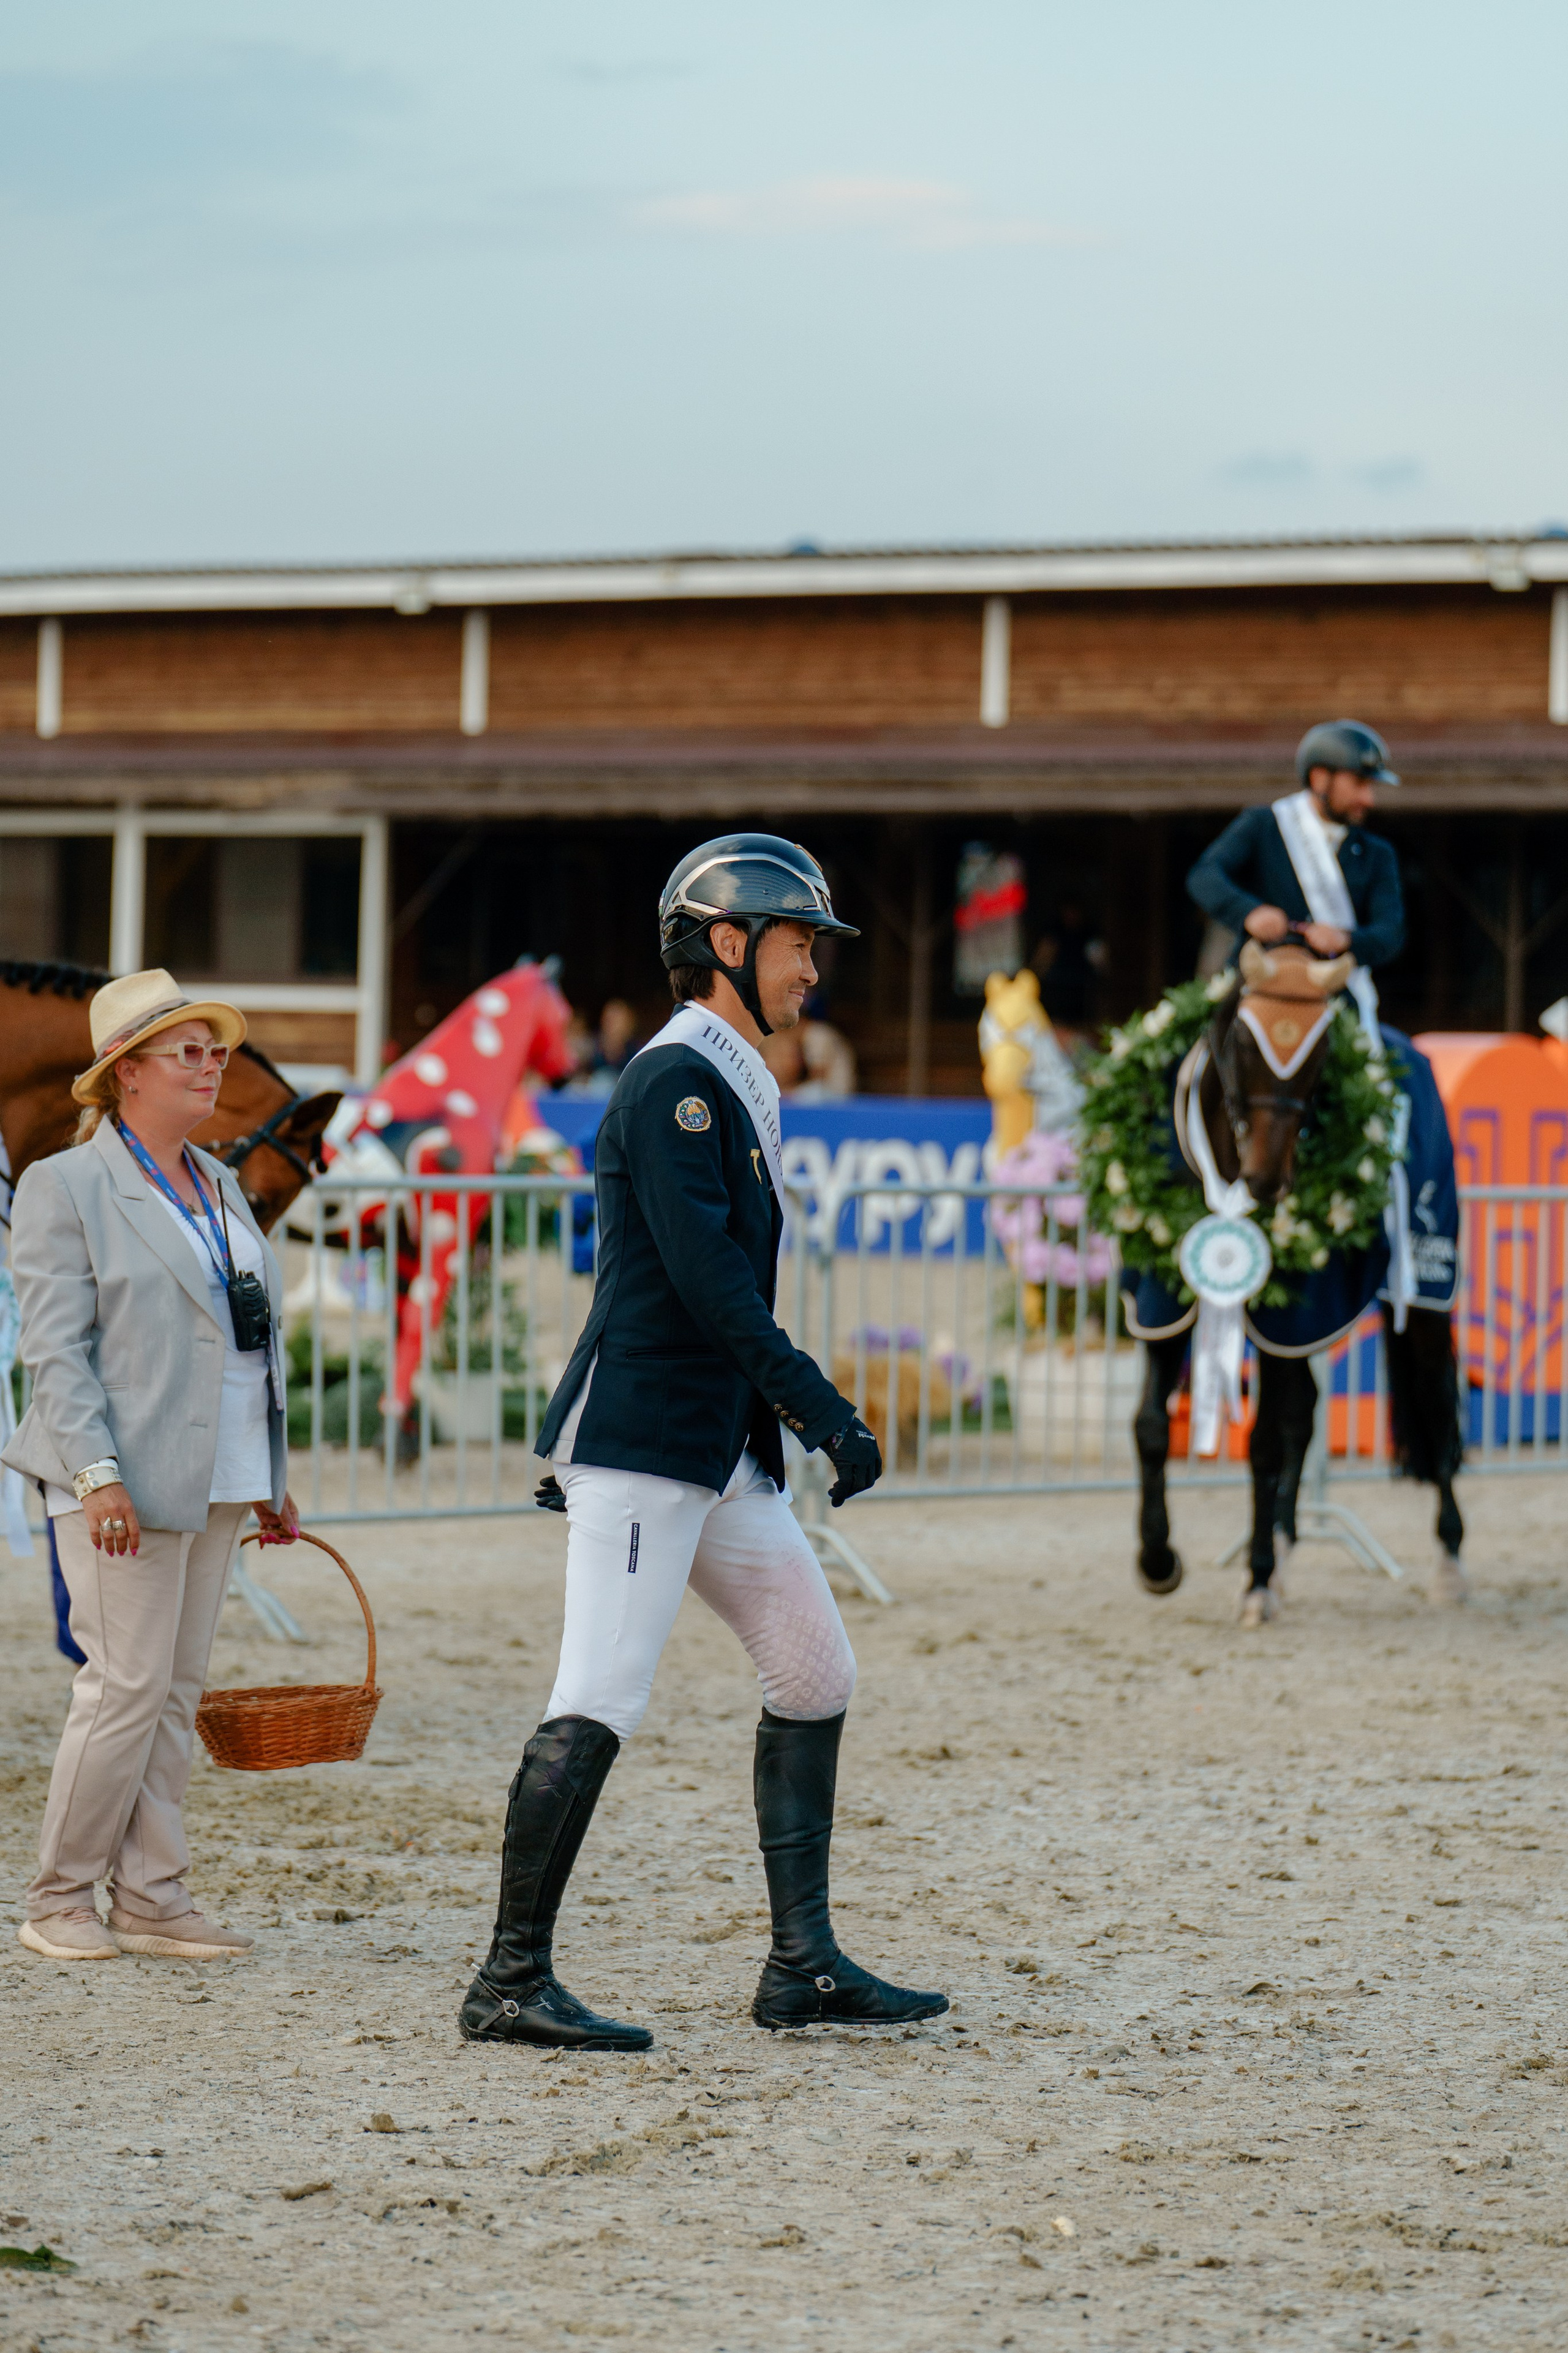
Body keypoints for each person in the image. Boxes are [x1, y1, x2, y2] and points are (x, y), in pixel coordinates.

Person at [460, 834, 948, 2052]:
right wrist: (821, 1408)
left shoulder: (737, 1079)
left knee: (814, 1670)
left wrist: (778, 1421)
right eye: (796, 948)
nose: (811, 975)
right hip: (641, 1440)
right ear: (726, 945)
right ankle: (509, 1979)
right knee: (601, 1692)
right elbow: (709, 1285)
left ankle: (802, 1966)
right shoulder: (671, 1083)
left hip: (715, 1448)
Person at [5, 968, 298, 1964]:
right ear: (126, 1072)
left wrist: (269, 1470)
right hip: (115, 1475)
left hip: (217, 1471)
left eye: (215, 1050)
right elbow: (56, 1350)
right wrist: (95, 1474)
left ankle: (153, 1894)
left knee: (173, 1689)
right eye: (189, 1051)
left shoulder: (218, 1182)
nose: (212, 1066)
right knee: (124, 1685)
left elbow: (246, 1338)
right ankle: (58, 1897)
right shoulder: (64, 1184)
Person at [1186, 721, 1405, 1025]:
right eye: (1359, 784)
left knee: (1382, 1072)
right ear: (1319, 779)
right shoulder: (1263, 825)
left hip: (1334, 1000)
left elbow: (1391, 932)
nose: (1369, 799)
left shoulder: (1377, 854)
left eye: (1371, 787)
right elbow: (1204, 876)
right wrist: (1250, 913)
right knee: (1184, 1066)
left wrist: (1345, 939)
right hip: (1255, 988)